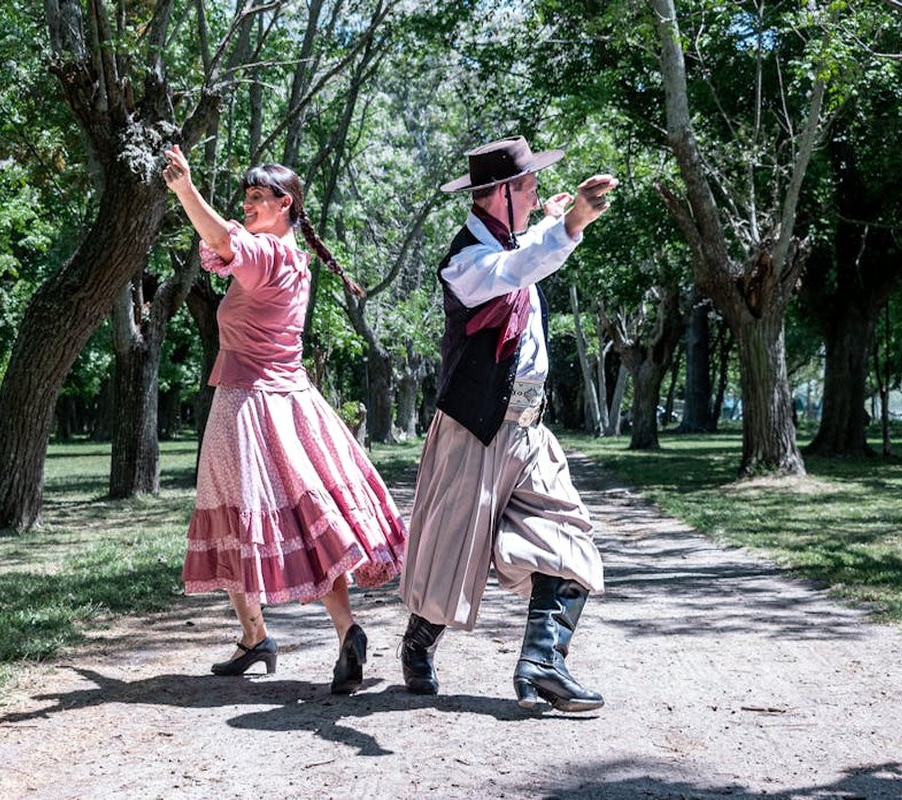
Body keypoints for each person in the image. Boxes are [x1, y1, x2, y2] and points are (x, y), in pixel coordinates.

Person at [162, 145, 406, 694]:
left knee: (231, 515)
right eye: (244, 197)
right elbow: (225, 240)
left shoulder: (268, 257)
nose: (246, 204)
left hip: (247, 403)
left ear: (284, 203)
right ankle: (333, 631)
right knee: (299, 518)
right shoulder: (292, 260)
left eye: (256, 198)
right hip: (292, 400)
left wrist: (184, 189)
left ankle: (258, 635)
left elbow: (221, 239)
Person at [397, 135, 618, 712]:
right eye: (529, 185)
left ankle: (543, 662)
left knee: (568, 533)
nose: (538, 189)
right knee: (450, 552)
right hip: (475, 426)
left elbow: (527, 250)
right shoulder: (465, 263)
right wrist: (572, 220)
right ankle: (419, 644)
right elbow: (517, 267)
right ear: (501, 195)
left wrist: (555, 221)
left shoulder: (509, 240)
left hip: (528, 428)